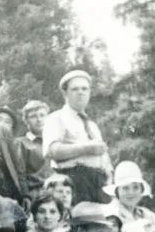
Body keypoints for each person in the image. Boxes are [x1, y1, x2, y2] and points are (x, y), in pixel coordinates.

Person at [42, 70, 112, 204]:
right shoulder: (56, 118)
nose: (81, 92)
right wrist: (86, 148)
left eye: (84, 89)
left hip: (99, 183)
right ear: (65, 93)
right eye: (75, 89)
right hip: (73, 180)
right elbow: (50, 150)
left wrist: (109, 180)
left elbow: (105, 159)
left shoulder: (92, 125)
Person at [17, 100, 52, 181]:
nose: (39, 119)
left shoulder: (55, 142)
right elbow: (19, 176)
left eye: (42, 115)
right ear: (26, 121)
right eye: (33, 116)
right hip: (36, 190)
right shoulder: (21, 143)